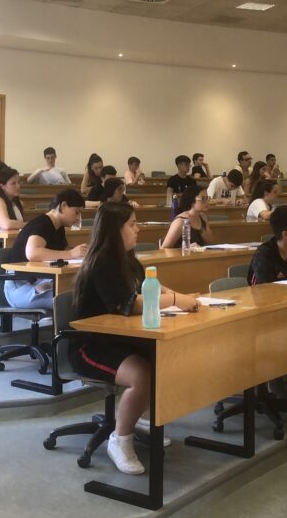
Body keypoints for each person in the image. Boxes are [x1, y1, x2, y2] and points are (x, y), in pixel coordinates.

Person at [72, 202, 200, 475]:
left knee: (165, 358)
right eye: (132, 224)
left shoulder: (128, 258)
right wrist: (175, 300)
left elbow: (151, 285)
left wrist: (182, 297)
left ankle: (137, 417)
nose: (138, 229)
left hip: (121, 340)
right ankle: (120, 440)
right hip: (91, 346)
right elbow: (127, 304)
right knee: (141, 375)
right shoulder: (102, 262)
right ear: (114, 230)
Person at [5, 189, 89, 309]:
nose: (78, 218)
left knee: (82, 293)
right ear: (63, 206)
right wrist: (71, 253)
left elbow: (62, 256)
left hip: (40, 281)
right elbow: (33, 253)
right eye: (76, 212)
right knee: (73, 301)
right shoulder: (42, 223)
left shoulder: (59, 228)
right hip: (20, 287)